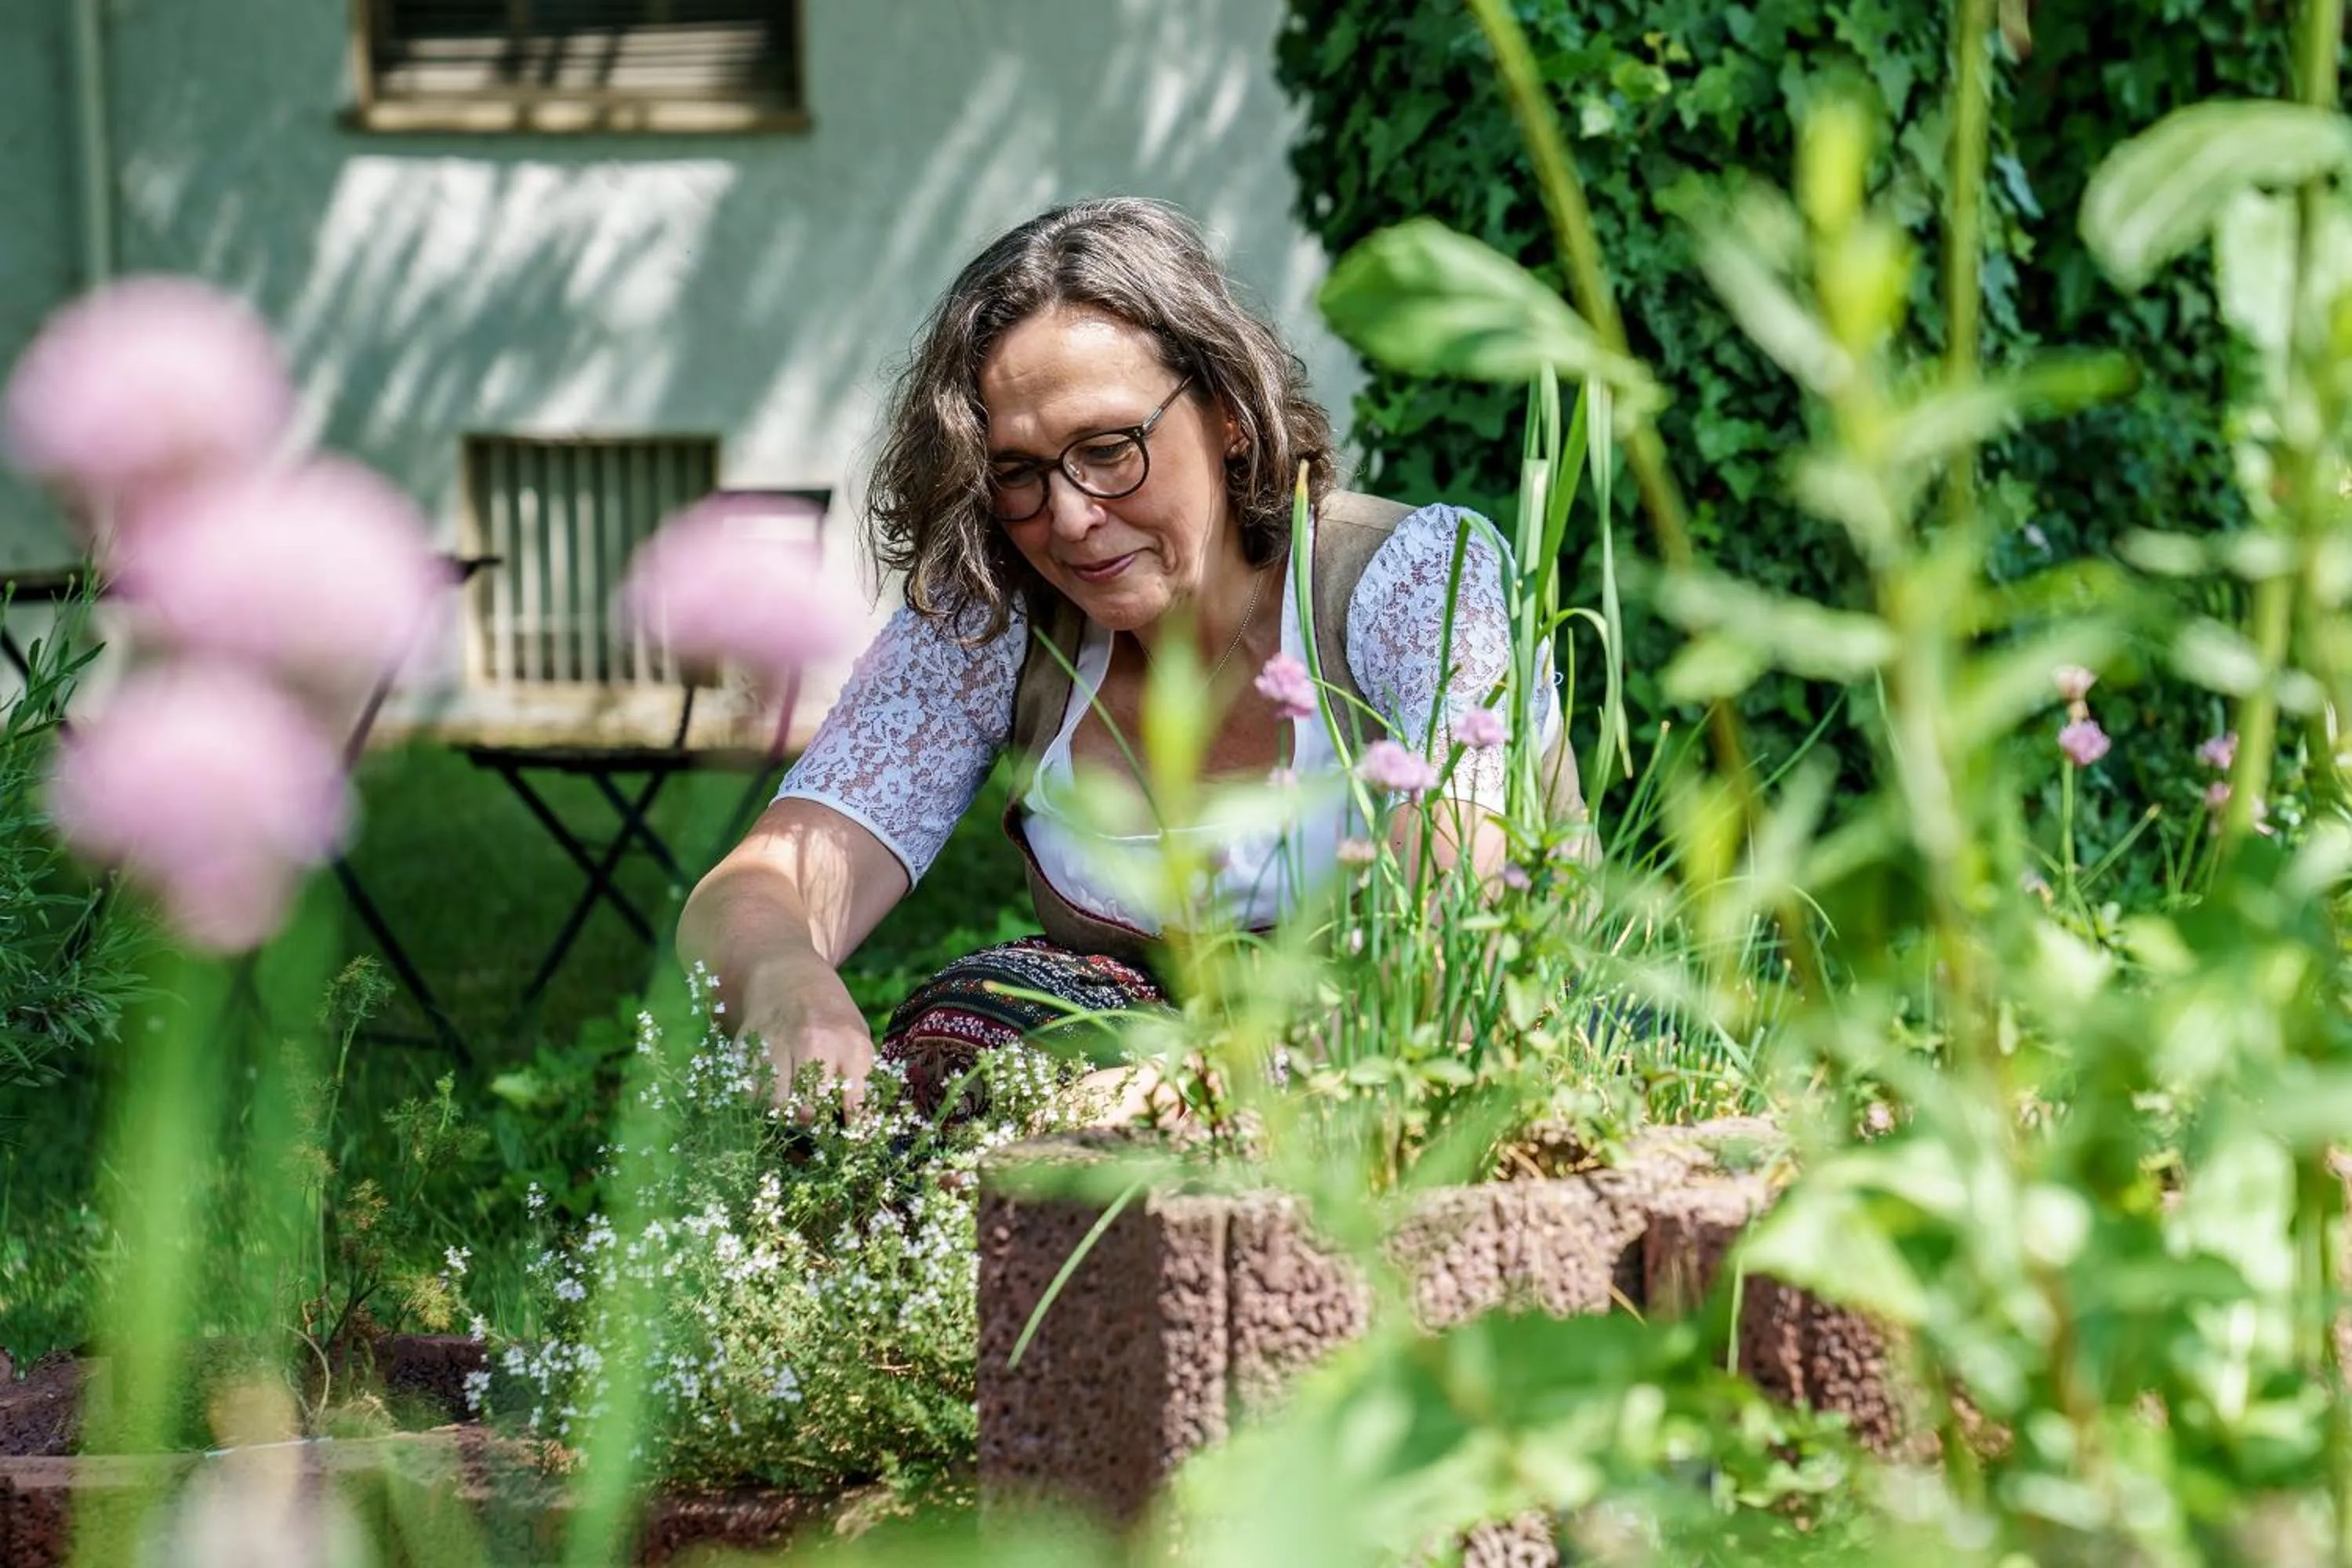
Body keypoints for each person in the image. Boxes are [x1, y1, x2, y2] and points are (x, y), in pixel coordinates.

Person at [677, 198, 1585, 1116]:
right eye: (1018, 472)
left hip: (1439, 1092)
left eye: (1109, 449)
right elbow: (756, 888)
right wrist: (785, 977)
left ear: (1229, 412)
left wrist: (1206, 1088)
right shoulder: (999, 616)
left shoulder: (1416, 578)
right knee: (972, 1025)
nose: (1070, 516)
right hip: (1132, 1101)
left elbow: (1450, 933)